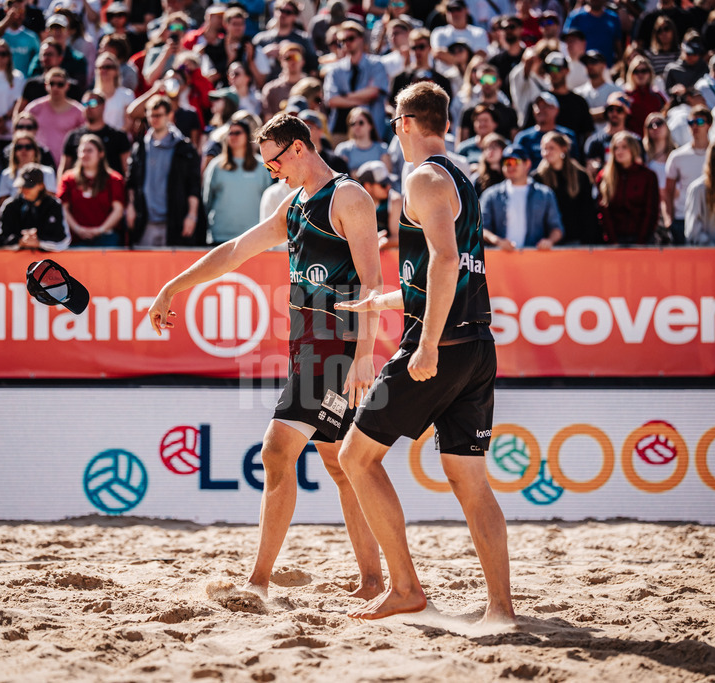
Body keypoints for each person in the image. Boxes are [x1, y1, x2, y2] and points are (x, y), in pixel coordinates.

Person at [147, 113, 385, 602]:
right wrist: (173, 286)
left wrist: (364, 354)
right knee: (342, 466)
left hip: (334, 349)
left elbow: (372, 283)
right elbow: (235, 250)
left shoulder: (348, 196)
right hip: (307, 346)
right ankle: (374, 580)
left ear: (299, 148)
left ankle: (257, 581)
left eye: (274, 161)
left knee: (276, 452)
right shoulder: (294, 203)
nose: (271, 171)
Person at [332, 82, 515, 624]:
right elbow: (443, 277)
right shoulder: (460, 177)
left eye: (394, 120)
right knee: (469, 480)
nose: (393, 129)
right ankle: (500, 609)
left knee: (355, 457)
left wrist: (428, 343)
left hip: (442, 345)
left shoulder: (423, 177)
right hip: (476, 345)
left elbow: (446, 262)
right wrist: (380, 302)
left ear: (405, 123)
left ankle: (406, 588)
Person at [126, 95, 206, 247]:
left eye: (158, 115)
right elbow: (132, 182)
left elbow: (193, 186)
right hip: (145, 221)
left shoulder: (184, 148)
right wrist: (131, 206)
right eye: (151, 115)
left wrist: (192, 215)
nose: (154, 119)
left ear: (169, 115)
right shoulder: (140, 148)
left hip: (174, 220)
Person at [479, 144, 564, 250]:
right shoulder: (490, 195)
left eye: (514, 162)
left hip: (533, 257)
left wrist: (549, 241)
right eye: (506, 163)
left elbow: (556, 228)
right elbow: (481, 227)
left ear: (527, 164)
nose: (510, 166)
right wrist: (497, 241)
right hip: (501, 257)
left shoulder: (545, 194)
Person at [202, 119, 273, 244]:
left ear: (247, 136)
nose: (233, 136)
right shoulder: (216, 166)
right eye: (230, 133)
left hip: (253, 237)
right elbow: (207, 200)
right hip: (220, 236)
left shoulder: (262, 166)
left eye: (237, 133)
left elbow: (268, 200)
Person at [323, 21, 390, 142]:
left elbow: (373, 93)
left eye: (351, 38)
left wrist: (345, 96)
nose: (347, 43)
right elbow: (331, 100)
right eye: (342, 41)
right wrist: (360, 99)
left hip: (371, 133)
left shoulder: (376, 65)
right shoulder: (335, 70)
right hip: (340, 130)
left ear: (361, 39)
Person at [58, 133, 125, 247]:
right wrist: (78, 229)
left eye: (89, 151)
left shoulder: (114, 179)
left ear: (101, 153)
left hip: (106, 238)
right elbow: (63, 208)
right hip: (76, 238)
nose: (85, 155)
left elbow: (118, 210)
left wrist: (100, 230)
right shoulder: (68, 179)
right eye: (82, 151)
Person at [534, 131, 599, 244]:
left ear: (563, 149)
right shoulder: (537, 177)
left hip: (575, 238)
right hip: (547, 240)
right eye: (544, 149)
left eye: (551, 148)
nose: (546, 152)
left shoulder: (580, 176)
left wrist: (588, 240)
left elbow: (588, 211)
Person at [597, 130, 661, 245]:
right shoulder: (604, 176)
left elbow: (651, 211)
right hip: (614, 240)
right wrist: (613, 241)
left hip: (642, 240)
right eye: (616, 148)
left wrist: (641, 241)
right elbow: (604, 213)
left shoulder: (648, 176)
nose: (619, 151)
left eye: (624, 147)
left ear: (633, 149)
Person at [663, 105, 712, 246]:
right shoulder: (677, 156)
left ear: (709, 125)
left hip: (711, 218)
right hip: (682, 217)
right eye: (691, 122)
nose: (694, 126)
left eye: (700, 122)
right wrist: (668, 218)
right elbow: (668, 191)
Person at [0, 163, 71, 251]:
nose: (24, 189)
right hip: (14, 258)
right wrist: (20, 241)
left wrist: (39, 242)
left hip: (47, 258)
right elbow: (1, 239)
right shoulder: (10, 205)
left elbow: (63, 240)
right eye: (22, 185)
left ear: (41, 186)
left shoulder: (54, 205)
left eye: (29, 186)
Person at [0, 131, 56, 212]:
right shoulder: (6, 174)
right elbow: (2, 204)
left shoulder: (48, 172)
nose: (23, 150)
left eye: (28, 147)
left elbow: (50, 201)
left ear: (35, 150)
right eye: (19, 147)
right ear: (14, 151)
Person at [355, 159, 401, 249]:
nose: (389, 187)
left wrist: (376, 243)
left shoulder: (394, 200)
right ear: (368, 186)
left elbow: (398, 238)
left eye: (389, 182)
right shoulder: (355, 203)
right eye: (383, 185)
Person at [335, 107, 391, 171]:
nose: (356, 126)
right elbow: (340, 174)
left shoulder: (382, 148)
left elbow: (387, 173)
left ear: (370, 125)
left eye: (361, 123)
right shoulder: (343, 149)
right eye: (353, 123)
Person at [92, 53, 134, 131]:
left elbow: (129, 123)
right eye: (101, 67)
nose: (104, 70)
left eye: (108, 67)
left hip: (121, 137)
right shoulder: (91, 97)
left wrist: (114, 137)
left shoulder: (127, 95)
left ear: (116, 71)